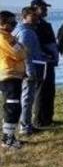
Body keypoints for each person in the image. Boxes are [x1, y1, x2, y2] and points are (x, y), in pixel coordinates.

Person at [14, 7, 45, 135]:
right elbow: (24, 53)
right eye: (33, 16)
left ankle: (26, 123)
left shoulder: (27, 30)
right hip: (27, 70)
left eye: (37, 16)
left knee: (27, 97)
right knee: (27, 97)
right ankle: (24, 126)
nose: (37, 18)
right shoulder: (25, 32)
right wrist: (30, 71)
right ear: (25, 16)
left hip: (26, 68)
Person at [0, 10, 27, 149]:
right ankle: (7, 139)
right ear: (3, 23)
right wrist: (21, 48)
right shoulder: (3, 38)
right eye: (12, 22)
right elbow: (19, 54)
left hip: (15, 75)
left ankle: (9, 136)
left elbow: (22, 50)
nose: (15, 24)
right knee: (12, 106)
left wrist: (21, 49)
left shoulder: (9, 36)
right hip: (8, 75)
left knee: (14, 106)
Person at [30, 0, 59, 127]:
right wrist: (45, 53)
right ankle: (39, 120)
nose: (46, 10)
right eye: (43, 8)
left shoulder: (45, 24)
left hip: (50, 61)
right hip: (40, 62)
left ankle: (48, 118)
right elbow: (34, 45)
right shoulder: (33, 26)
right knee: (41, 91)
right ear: (35, 9)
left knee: (49, 89)